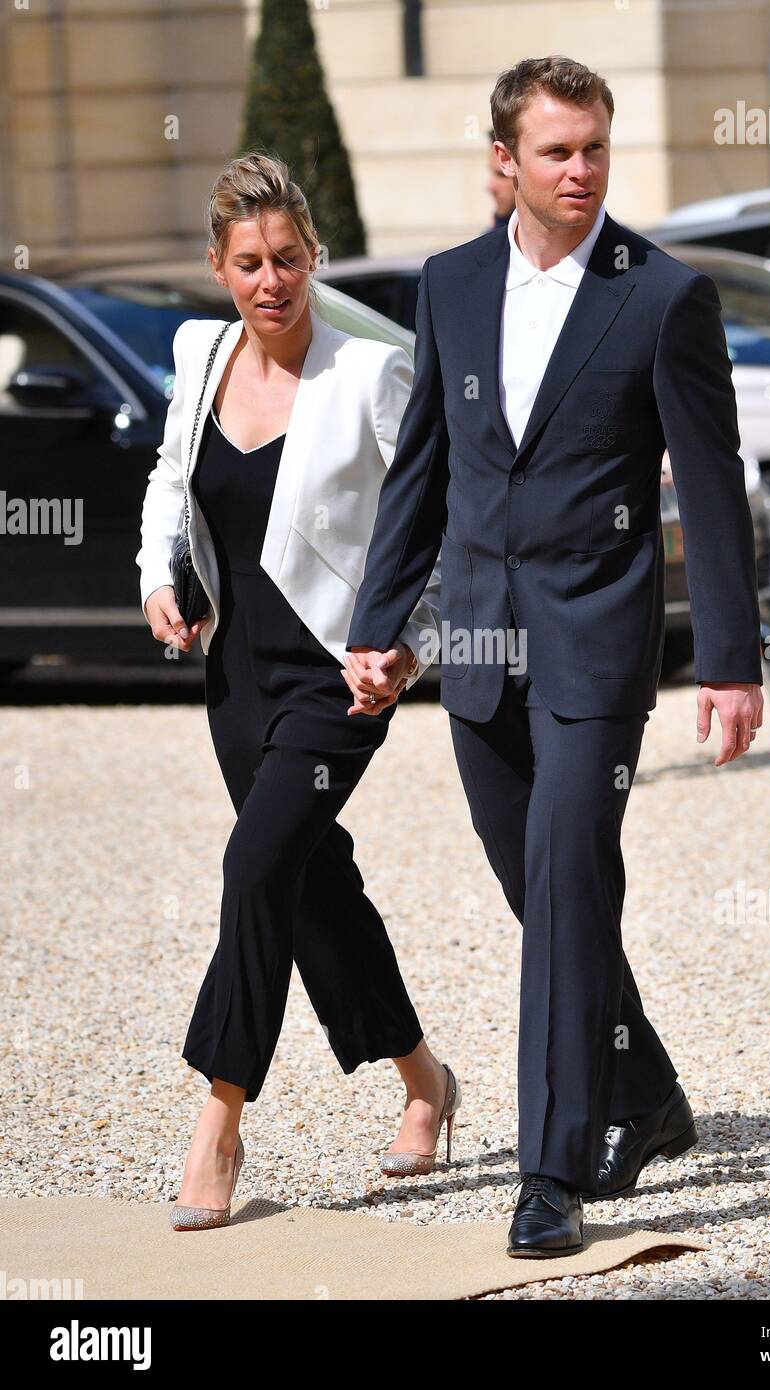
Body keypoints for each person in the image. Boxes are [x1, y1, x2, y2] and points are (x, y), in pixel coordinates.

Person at [344, 56, 764, 1258]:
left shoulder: (662, 295)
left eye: (595, 149)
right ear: (504, 162)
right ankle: (651, 1093)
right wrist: (381, 627)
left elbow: (717, 489)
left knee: (572, 883)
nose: (581, 171)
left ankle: (554, 1167)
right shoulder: (451, 285)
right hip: (474, 644)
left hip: (594, 646)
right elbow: (422, 468)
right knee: (548, 899)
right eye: (557, 152)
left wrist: (730, 662)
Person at [136, 152, 459, 1231]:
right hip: (236, 674)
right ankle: (425, 1079)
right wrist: (155, 581)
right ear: (219, 266)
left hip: (339, 677)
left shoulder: (367, 375)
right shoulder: (199, 353)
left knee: (255, 860)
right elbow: (169, 483)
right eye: (247, 262)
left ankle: (219, 1120)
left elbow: (439, 532)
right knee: (310, 884)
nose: (269, 281)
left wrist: (405, 649)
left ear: (314, 256)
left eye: (286, 258)